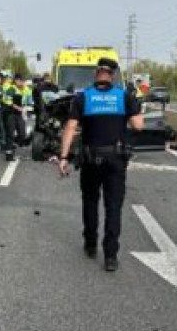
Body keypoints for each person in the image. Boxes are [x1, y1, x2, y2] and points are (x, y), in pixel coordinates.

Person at [57, 58, 144, 272]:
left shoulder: (83, 97)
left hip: (90, 159)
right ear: (113, 75)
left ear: (96, 73)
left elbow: (70, 128)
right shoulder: (124, 97)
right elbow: (138, 126)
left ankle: (90, 244)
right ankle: (111, 256)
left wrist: (64, 157)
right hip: (115, 159)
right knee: (113, 207)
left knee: (90, 201)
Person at [0, 74, 24, 161]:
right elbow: (7, 100)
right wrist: (17, 107)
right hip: (10, 114)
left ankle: (13, 144)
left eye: (22, 80)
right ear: (16, 81)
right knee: (10, 134)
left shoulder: (21, 89)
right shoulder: (11, 89)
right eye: (20, 80)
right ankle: (9, 155)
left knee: (22, 133)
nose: (21, 82)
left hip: (19, 114)